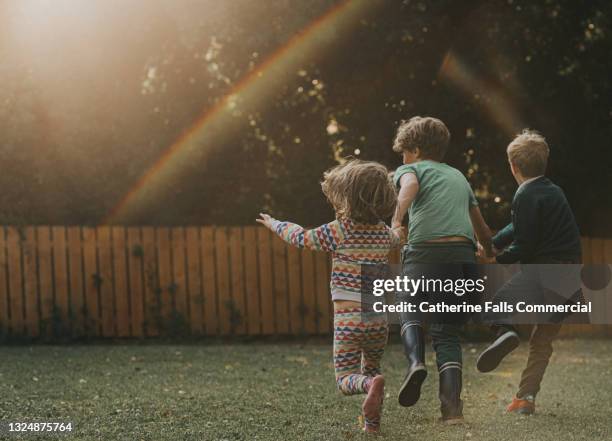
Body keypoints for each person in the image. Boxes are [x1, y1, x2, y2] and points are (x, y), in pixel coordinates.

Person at [257, 160, 402, 433]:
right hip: (378, 321)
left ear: (347, 197)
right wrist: (398, 230)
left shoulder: (340, 230)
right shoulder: (383, 235)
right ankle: (372, 424)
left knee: (347, 378)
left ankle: (368, 386)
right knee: (372, 367)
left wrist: (275, 224)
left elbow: (300, 237)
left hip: (348, 321)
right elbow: (397, 237)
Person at [391, 116, 493, 423]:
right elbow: (482, 228)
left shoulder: (411, 169)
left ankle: (415, 364)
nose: (403, 159)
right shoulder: (459, 177)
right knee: (447, 333)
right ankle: (452, 412)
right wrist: (487, 250)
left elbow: (408, 185)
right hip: (463, 260)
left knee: (407, 307)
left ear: (417, 150)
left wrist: (397, 219)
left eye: (405, 152)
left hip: (426, 254)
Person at [476, 130, 583, 415]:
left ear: (513, 166)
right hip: (570, 276)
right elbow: (518, 227)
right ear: (544, 162)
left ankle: (507, 332)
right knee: (542, 341)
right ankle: (525, 398)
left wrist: (495, 260)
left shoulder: (525, 193)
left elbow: (525, 243)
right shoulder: (553, 191)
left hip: (546, 271)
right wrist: (492, 243)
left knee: (494, 308)